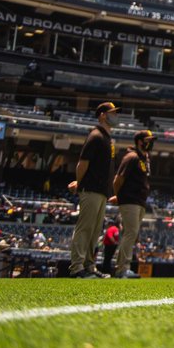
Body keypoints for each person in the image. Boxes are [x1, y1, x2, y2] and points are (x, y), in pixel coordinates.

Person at [67, 101, 118, 278]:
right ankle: (77, 268)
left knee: (95, 231)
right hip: (91, 189)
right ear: (102, 115)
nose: (115, 116)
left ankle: (89, 266)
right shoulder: (96, 135)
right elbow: (83, 163)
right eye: (112, 113)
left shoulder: (107, 138)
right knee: (85, 228)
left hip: (102, 190)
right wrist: (80, 183)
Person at [110, 130, 156, 279]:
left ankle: (124, 268)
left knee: (132, 233)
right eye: (148, 140)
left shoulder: (144, 159)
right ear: (139, 141)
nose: (151, 143)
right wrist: (119, 196)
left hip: (140, 201)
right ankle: (122, 268)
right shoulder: (132, 157)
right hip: (130, 199)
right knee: (130, 233)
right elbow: (118, 179)